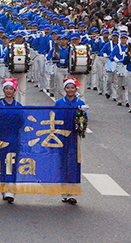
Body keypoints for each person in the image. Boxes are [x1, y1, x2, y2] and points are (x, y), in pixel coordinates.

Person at [54, 78, 88, 206]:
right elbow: (54, 118)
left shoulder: (80, 103)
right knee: (62, 163)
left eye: (72, 87)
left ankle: (72, 193)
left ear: (76, 89)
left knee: (73, 163)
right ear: (64, 89)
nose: (70, 90)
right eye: (67, 87)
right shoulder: (58, 103)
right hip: (61, 137)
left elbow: (84, 120)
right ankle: (64, 191)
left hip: (74, 138)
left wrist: (81, 124)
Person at [0, 78, 23, 204]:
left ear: (14, 91)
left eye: (11, 89)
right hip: (1, 138)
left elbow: (22, 122)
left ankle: (11, 189)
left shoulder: (19, 106)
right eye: (6, 89)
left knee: (12, 163)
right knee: (3, 163)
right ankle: (4, 188)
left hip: (14, 138)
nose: (9, 91)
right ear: (3, 90)